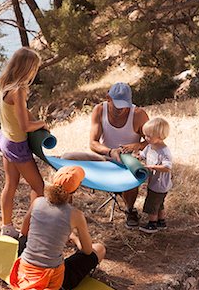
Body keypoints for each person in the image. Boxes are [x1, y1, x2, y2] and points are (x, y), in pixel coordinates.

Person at [9, 166, 106, 290]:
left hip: (24, 271)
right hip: (53, 280)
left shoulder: (37, 202)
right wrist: (75, 239)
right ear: (76, 189)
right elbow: (87, 250)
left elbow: (24, 233)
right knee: (99, 249)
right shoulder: (76, 215)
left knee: (24, 239)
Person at [63, 82, 149, 229]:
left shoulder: (138, 114)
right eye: (117, 105)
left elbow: (152, 140)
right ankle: (65, 209)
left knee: (134, 171)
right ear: (108, 98)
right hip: (105, 158)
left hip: (128, 163)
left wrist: (137, 146)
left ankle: (130, 210)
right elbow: (93, 143)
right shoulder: (99, 110)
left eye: (124, 106)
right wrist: (110, 152)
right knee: (67, 158)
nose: (120, 110)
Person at [0, 47, 48, 238]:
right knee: (39, 188)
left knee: (10, 185)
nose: (35, 72)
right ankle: (30, 228)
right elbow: (25, 125)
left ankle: (6, 227)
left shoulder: (5, 86)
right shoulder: (18, 91)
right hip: (16, 144)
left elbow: (22, 115)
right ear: (27, 68)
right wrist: (42, 123)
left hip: (5, 138)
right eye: (34, 68)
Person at [138, 117, 173, 234]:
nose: (146, 138)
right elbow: (143, 155)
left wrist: (152, 167)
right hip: (154, 182)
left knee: (152, 204)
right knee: (159, 204)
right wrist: (138, 157)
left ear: (160, 136)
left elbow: (167, 168)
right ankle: (161, 222)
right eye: (145, 135)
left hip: (160, 184)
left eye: (149, 136)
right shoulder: (150, 146)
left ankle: (152, 225)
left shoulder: (164, 151)